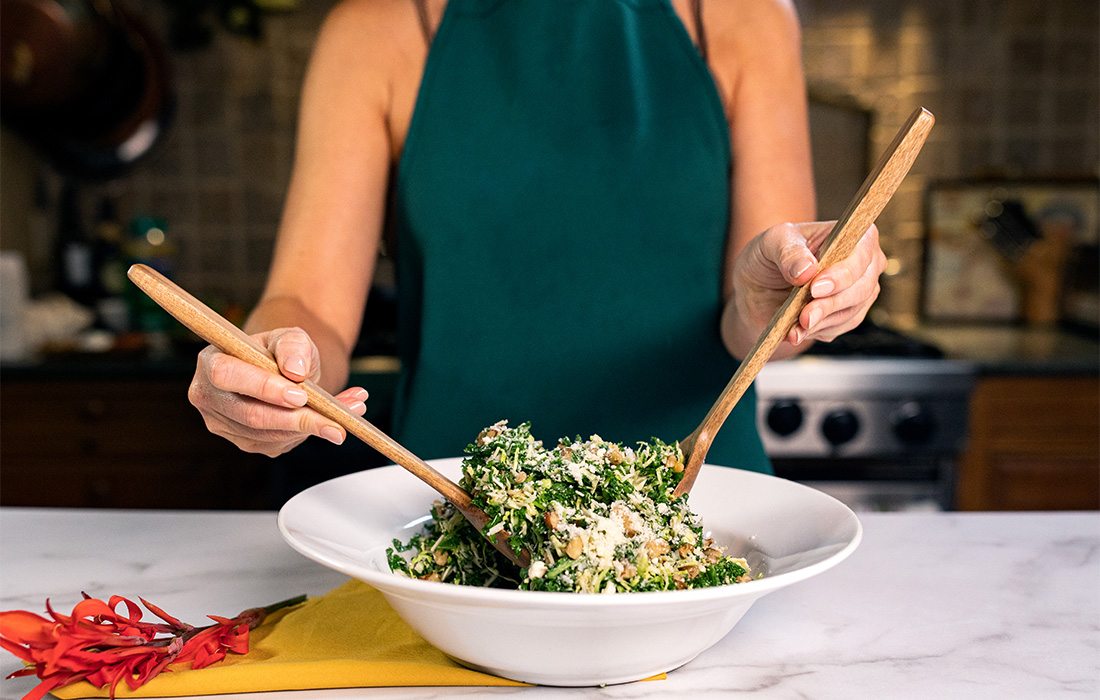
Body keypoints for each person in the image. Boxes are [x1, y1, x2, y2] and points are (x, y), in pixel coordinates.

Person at [187, 0, 887, 472]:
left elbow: (761, 326)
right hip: (456, 511)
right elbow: (307, 308)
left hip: (699, 512)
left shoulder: (744, 18)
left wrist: (786, 302)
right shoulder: (376, 29)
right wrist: (270, 366)